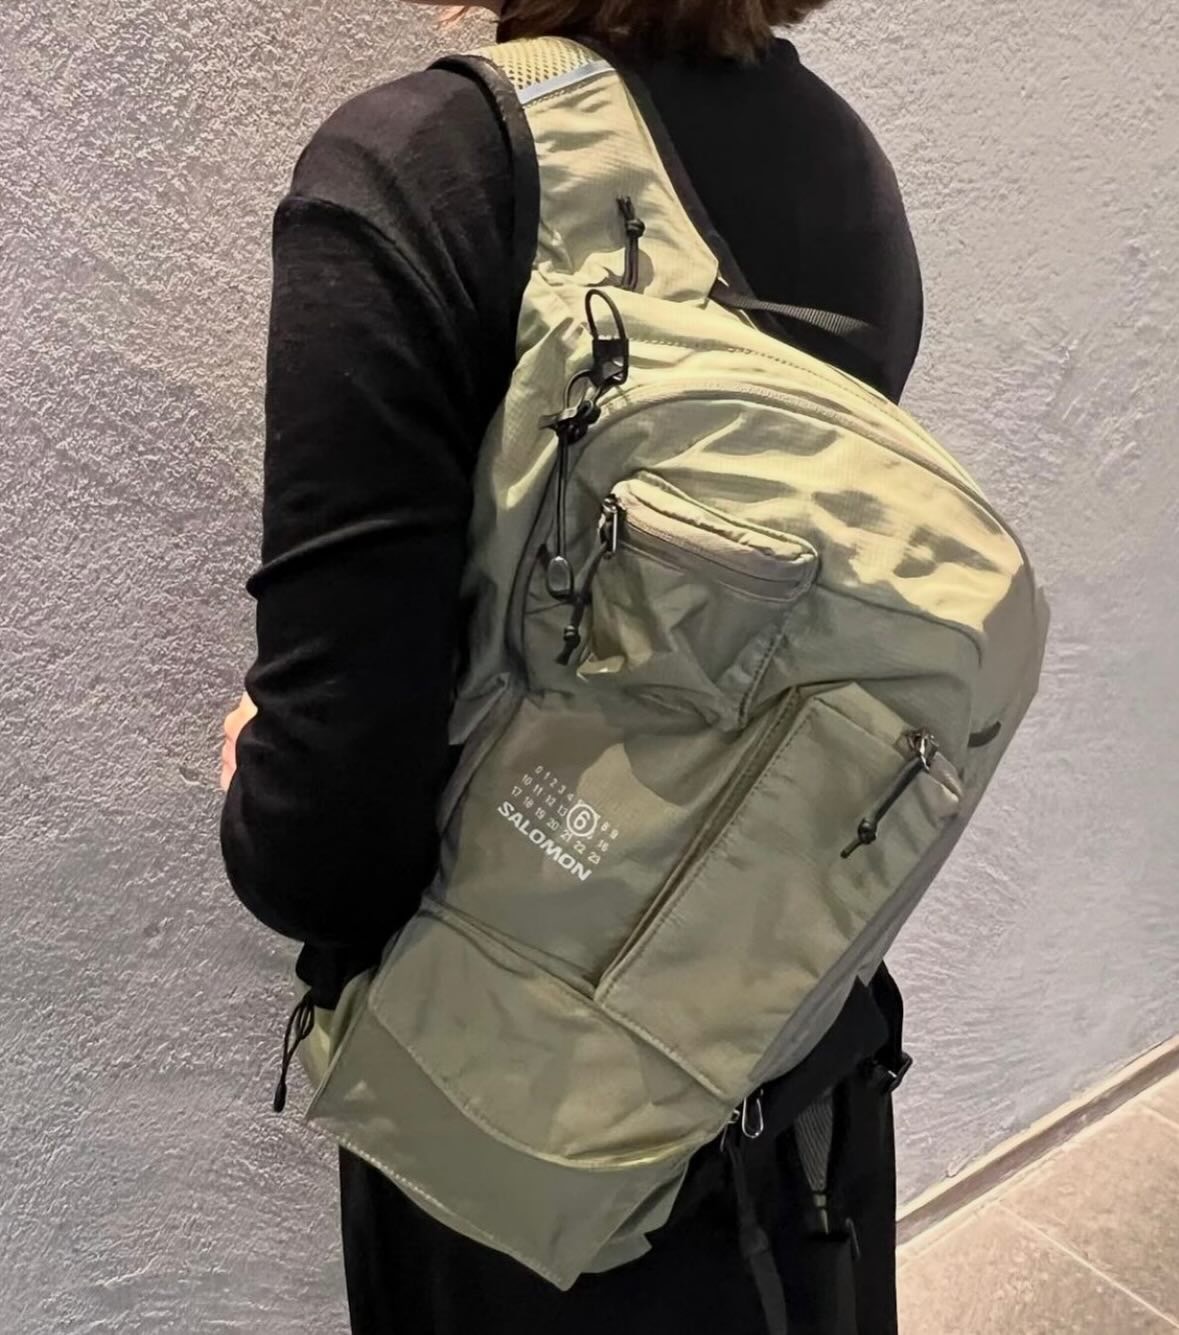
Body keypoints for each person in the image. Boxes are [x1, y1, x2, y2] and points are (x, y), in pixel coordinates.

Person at [220, 1, 924, 1330]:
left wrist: (253, 762)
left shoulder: (425, 171)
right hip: (794, 1075)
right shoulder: (847, 162)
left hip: (518, 1145)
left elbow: (324, 850)